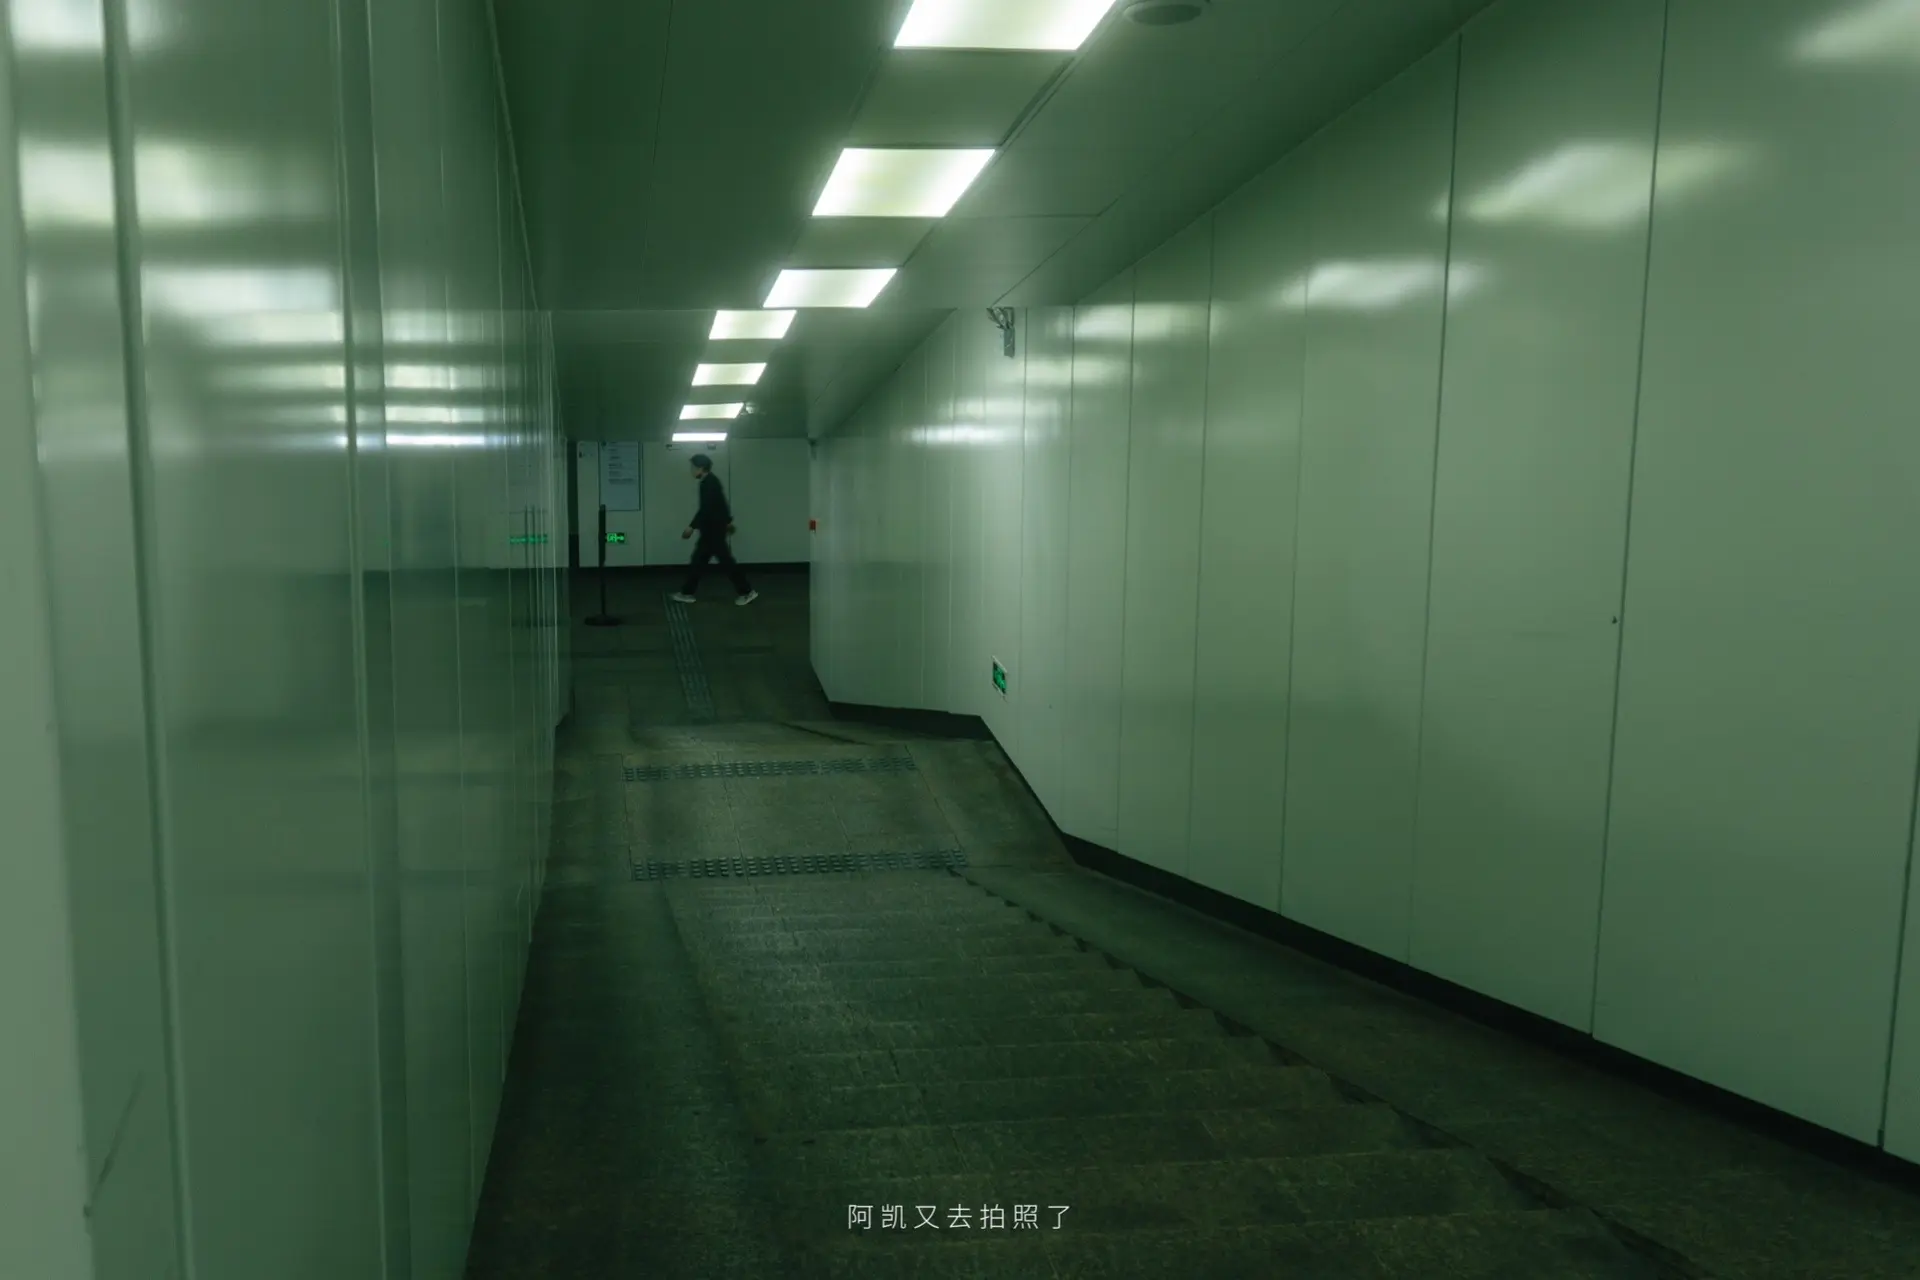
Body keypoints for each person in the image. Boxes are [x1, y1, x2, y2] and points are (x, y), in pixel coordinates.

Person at [670, 454, 757, 606]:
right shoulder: (711, 481)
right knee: (700, 562)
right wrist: (727, 522)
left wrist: (691, 526)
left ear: (701, 468)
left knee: (723, 563)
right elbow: (721, 503)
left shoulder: (708, 483)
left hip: (712, 532)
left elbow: (706, 509)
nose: (691, 471)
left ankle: (746, 592)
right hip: (713, 530)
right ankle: (687, 592)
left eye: (693, 467)